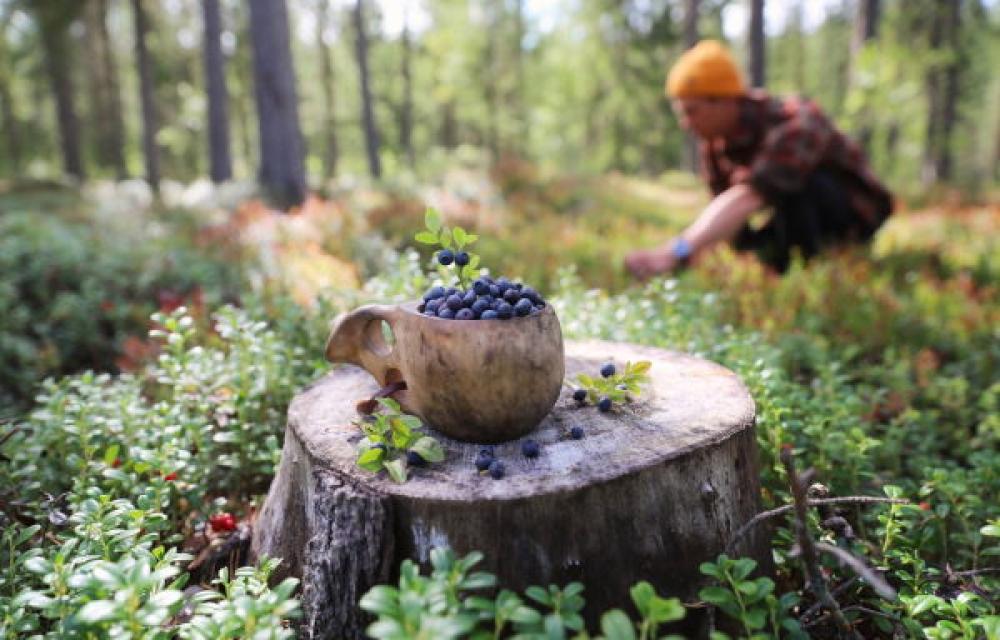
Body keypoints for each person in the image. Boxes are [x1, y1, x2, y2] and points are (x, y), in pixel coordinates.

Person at [625, 40, 893, 278]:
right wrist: (686, 261)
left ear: (724, 101)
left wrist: (675, 251)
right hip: (790, 219)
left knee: (795, 187)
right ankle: (778, 266)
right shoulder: (716, 144)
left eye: (692, 111)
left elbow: (750, 196)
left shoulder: (795, 123)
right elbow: (727, 214)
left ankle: (805, 275)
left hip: (854, 215)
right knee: (742, 238)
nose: (686, 124)